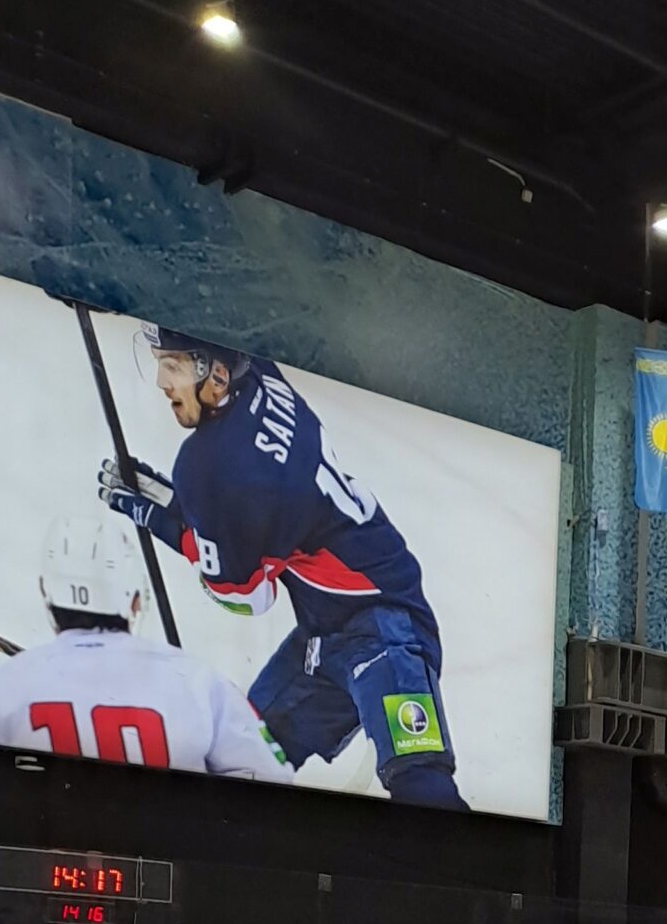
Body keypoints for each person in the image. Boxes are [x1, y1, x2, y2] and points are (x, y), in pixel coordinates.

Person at [99, 330, 464, 806]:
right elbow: (262, 504)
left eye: (173, 366)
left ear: (217, 375)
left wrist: (173, 525)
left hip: (386, 633)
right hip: (322, 638)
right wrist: (194, 513)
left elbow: (248, 598)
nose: (162, 383)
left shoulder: (205, 467)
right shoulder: (261, 375)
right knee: (239, 759)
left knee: (421, 784)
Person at [0, 513, 280, 775]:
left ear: (47, 594)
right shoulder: (200, 683)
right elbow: (269, 781)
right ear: (135, 599)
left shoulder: (2, 690)